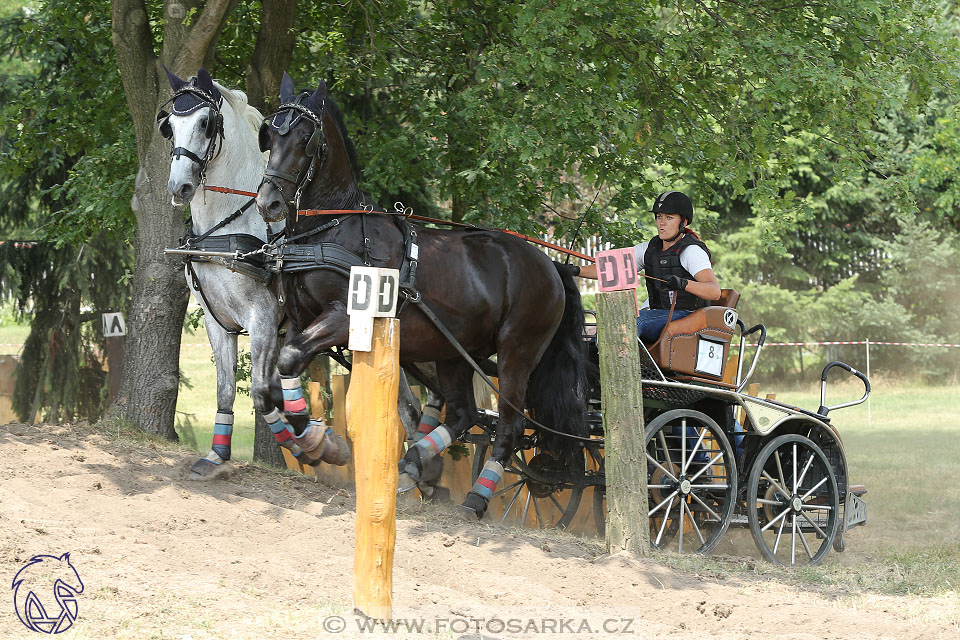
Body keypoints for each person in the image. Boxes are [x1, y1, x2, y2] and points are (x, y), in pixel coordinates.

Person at [575, 190, 720, 342]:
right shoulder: (649, 248)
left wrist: (683, 284)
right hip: (658, 314)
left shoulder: (691, 251)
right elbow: (610, 267)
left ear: (683, 222)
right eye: (659, 217)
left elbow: (714, 291)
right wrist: (576, 270)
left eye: (669, 218)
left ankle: (622, 365)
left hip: (688, 317)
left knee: (632, 322)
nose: (661, 223)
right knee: (596, 326)